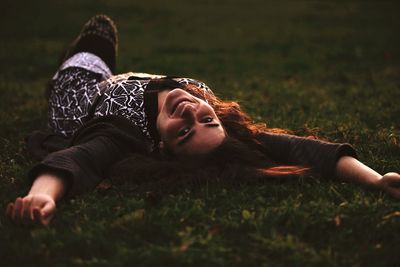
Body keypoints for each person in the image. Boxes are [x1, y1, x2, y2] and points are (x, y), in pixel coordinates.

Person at [6, 15, 400, 226]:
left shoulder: (119, 134)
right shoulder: (207, 104)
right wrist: (376, 179)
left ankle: (64, 71)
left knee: (97, 34)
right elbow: (302, 148)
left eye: (183, 133)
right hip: (130, 82)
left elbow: (77, 159)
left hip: (81, 96)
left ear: (162, 145)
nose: (191, 113)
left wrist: (42, 196)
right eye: (207, 122)